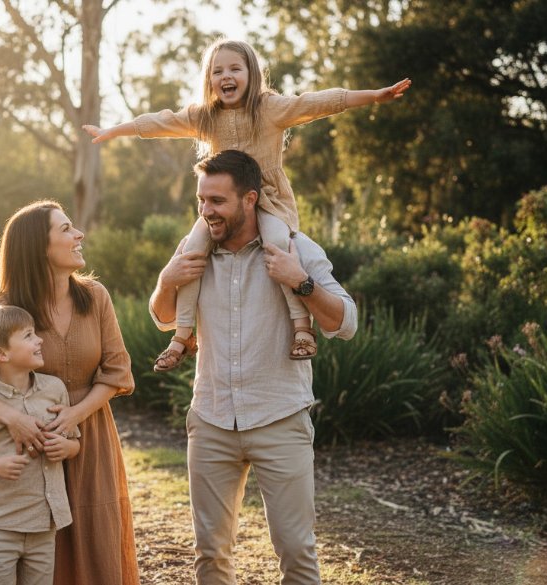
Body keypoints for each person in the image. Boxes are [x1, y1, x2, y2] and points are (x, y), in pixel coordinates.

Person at [84, 37, 406, 371]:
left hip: (267, 201)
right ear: (209, 79)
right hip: (226, 205)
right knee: (191, 251)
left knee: (279, 243)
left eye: (235, 68)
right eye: (217, 70)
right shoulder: (205, 117)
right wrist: (113, 130)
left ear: (251, 74)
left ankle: (301, 328)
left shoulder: (269, 108)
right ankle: (181, 336)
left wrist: (374, 96)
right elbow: (161, 121)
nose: (226, 76)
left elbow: (316, 103)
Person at [149, 150, 358, 584]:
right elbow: (163, 317)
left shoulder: (296, 248)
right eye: (202, 201)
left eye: (217, 201)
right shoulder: (193, 250)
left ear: (250, 198)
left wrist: (300, 281)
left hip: (279, 418)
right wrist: (167, 280)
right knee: (209, 552)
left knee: (297, 552)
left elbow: (346, 323)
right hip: (210, 420)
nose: (207, 211)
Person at [0, 201, 139, 585]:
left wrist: (75, 415)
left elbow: (117, 372)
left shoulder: (95, 297)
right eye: (65, 229)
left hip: (88, 438)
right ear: (37, 247)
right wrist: (14, 419)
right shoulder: (6, 310)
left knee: (96, 539)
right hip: (28, 450)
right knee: (45, 556)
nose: (78, 235)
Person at [0, 305, 81, 585]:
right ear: (2, 354)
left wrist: (65, 448)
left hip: (43, 526)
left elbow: (74, 444)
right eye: (28, 336)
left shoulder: (54, 390)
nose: (40, 340)